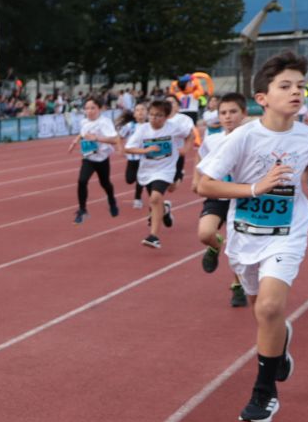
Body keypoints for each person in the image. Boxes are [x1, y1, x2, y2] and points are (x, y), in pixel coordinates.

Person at [193, 51, 308, 422]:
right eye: (285, 86)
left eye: (300, 85)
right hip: (245, 234)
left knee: (268, 308)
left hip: (288, 233)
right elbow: (203, 184)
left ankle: (264, 394)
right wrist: (255, 188)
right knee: (259, 310)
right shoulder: (242, 137)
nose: (296, 91)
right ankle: (280, 342)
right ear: (262, 98)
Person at [192, 92, 251, 309]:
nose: (228, 117)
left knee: (237, 246)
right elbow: (200, 157)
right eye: (223, 113)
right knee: (204, 233)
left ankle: (238, 285)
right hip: (217, 194)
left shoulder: (251, 139)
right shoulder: (213, 139)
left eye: (233, 112)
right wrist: (196, 178)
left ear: (243, 113)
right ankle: (215, 247)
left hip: (242, 197)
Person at [123, 95, 194, 250]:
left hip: (166, 169)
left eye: (159, 115)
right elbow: (127, 148)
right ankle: (165, 209)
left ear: (166, 117)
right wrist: (145, 150)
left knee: (155, 199)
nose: (154, 118)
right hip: (147, 170)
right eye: (152, 114)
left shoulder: (173, 127)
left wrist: (185, 149)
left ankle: (153, 236)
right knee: (156, 201)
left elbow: (190, 134)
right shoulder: (143, 129)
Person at [68, 94, 119, 223]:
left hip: (102, 159)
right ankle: (82, 210)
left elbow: (114, 139)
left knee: (105, 184)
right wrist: (75, 141)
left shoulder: (105, 122)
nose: (89, 111)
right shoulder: (84, 121)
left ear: (100, 109)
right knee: (82, 181)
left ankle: (112, 201)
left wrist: (96, 138)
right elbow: (83, 133)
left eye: (92, 108)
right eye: (87, 108)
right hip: (89, 157)